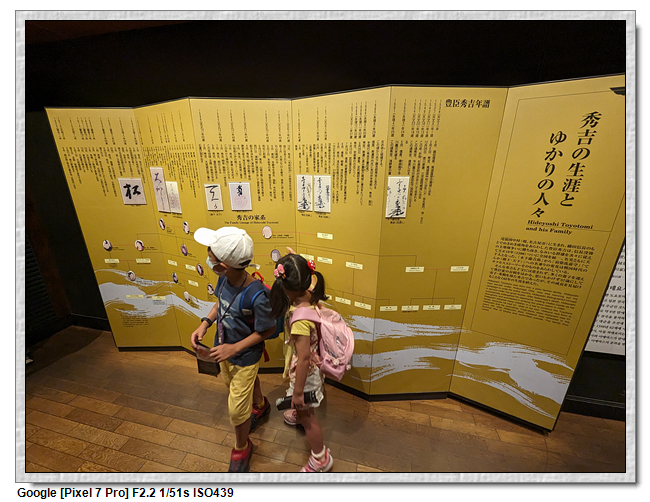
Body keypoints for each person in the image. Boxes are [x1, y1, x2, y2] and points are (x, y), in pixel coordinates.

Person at [190, 226, 275, 473]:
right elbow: (220, 303)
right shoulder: (224, 279)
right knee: (238, 385)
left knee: (237, 409)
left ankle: (241, 446)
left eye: (211, 257)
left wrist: (234, 348)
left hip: (245, 356)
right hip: (223, 348)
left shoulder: (257, 295)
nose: (208, 259)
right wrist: (205, 323)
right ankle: (260, 404)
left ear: (223, 265)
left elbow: (267, 330)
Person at [269, 253, 334, 472]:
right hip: (314, 365)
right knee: (303, 408)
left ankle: (320, 458)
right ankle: (299, 412)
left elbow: (304, 358)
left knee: (309, 417)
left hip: (306, 370)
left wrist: (297, 394)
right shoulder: (310, 294)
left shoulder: (299, 319)